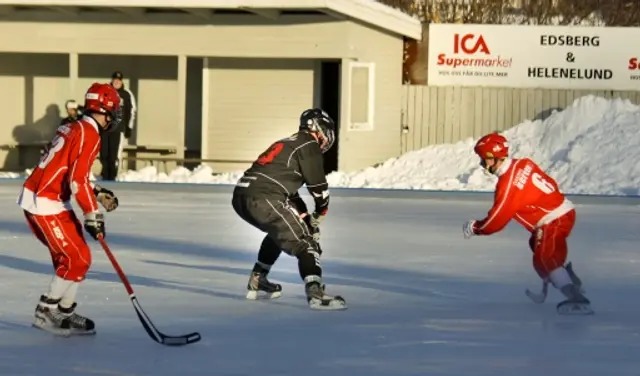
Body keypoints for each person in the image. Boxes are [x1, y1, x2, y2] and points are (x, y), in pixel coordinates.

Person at [18, 82, 122, 336]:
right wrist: (91, 214)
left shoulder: (76, 126)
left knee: (78, 258)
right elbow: (76, 180)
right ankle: (46, 311)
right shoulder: (90, 133)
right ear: (104, 111)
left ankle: (64, 312)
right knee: (76, 258)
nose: (115, 118)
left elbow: (71, 171)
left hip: (50, 197)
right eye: (113, 112)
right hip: (44, 201)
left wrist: (96, 193)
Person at [462, 132, 592, 315]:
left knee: (544, 258)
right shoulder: (523, 163)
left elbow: (496, 220)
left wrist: (475, 227)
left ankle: (574, 296)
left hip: (553, 219)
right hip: (560, 213)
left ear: (493, 158)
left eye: (484, 160)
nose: (482, 164)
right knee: (537, 247)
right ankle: (567, 278)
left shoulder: (508, 185)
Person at [231, 108, 346, 311]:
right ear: (318, 127)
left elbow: (287, 190)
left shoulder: (287, 142)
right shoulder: (308, 144)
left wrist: (304, 216)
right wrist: (320, 214)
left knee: (279, 232)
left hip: (243, 196)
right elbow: (318, 188)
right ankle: (315, 294)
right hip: (265, 198)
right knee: (306, 244)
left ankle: (258, 279)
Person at [100, 71, 137, 181]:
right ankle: (105, 174)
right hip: (105, 128)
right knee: (104, 153)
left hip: (118, 128)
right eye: (115, 79)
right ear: (112, 80)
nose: (117, 82)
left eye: (119, 80)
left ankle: (113, 176)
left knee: (115, 154)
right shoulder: (104, 91)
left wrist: (129, 127)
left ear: (121, 81)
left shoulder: (126, 94)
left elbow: (132, 111)